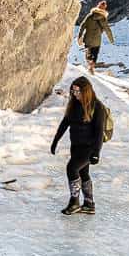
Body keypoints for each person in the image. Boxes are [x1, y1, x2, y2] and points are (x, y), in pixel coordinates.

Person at [51, 76, 108, 215]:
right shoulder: (74, 105)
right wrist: (56, 140)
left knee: (72, 168)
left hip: (89, 148)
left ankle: (74, 202)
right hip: (75, 146)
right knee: (83, 172)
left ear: (86, 91)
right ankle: (89, 204)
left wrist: (96, 152)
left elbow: (99, 131)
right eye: (73, 91)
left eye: (78, 91)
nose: (75, 94)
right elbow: (65, 123)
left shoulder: (97, 107)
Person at [77, 0, 115, 75]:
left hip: (87, 38)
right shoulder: (103, 18)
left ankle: (89, 64)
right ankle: (91, 67)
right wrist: (111, 39)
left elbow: (82, 25)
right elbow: (107, 29)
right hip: (97, 40)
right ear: (104, 9)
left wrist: (79, 36)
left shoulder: (90, 16)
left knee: (88, 52)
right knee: (95, 54)